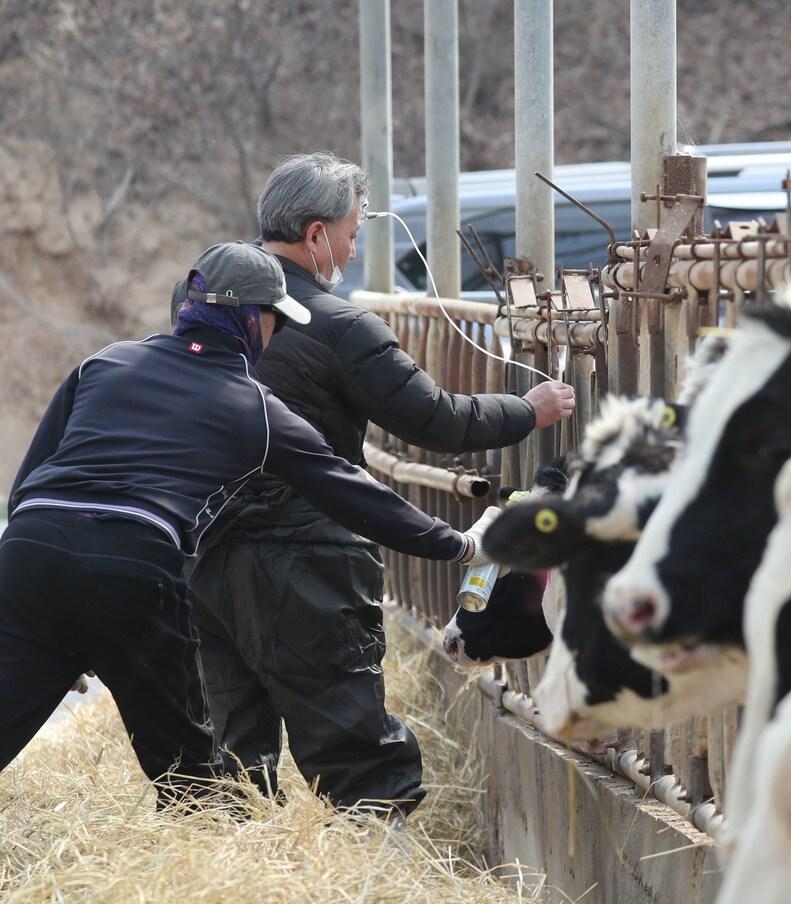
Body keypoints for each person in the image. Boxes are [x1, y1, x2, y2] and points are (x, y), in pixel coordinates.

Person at [0, 243, 500, 807]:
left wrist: (48, 619)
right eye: (276, 322)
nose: (276, 336)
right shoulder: (251, 406)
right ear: (249, 320)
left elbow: (27, 486)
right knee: (191, 775)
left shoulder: (105, 362)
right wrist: (459, 546)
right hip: (132, 563)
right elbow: (352, 493)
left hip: (27, 553)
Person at [186, 152, 574, 817]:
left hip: (206, 551)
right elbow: (433, 418)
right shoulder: (339, 325)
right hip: (305, 562)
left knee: (232, 754)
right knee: (353, 746)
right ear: (315, 236)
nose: (353, 246)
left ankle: (232, 867)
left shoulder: (204, 298)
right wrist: (529, 410)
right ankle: (372, 871)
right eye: (351, 232)